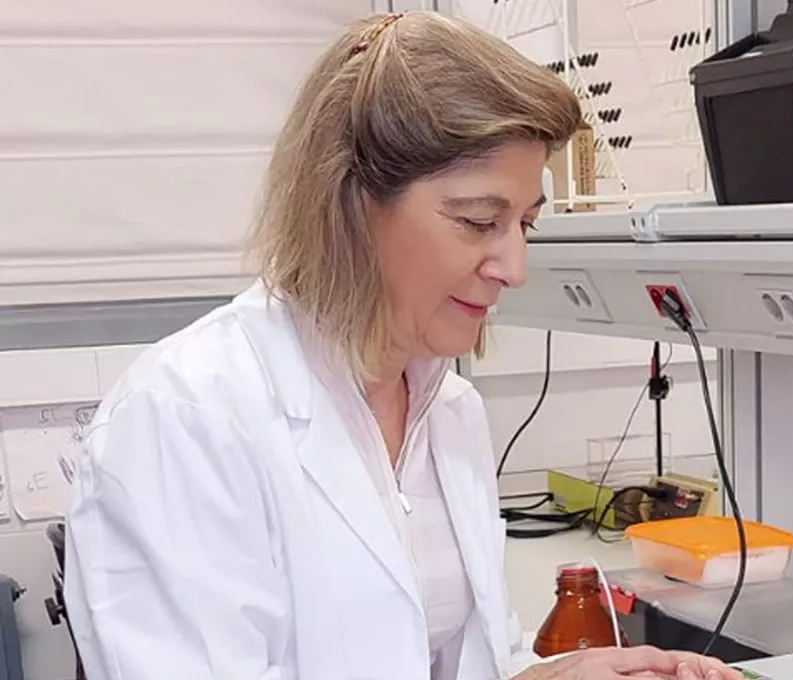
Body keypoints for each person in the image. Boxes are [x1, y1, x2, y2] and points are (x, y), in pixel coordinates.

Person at [62, 10, 742, 680]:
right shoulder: (182, 421)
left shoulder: (448, 410)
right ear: (351, 205)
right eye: (479, 221)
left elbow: (459, 659)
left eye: (525, 225)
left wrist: (550, 677)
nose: (514, 268)